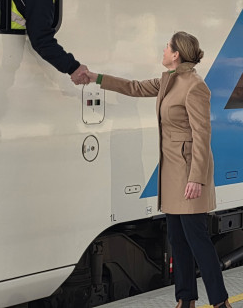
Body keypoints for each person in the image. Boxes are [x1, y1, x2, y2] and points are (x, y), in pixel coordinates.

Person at [84, 32, 232, 308]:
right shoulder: (169, 81)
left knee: (198, 241)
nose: (163, 50)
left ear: (176, 54)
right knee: (178, 241)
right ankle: (185, 300)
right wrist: (97, 78)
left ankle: (221, 302)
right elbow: (134, 87)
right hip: (172, 173)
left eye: (167, 46)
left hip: (188, 174)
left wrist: (197, 178)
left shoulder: (195, 86)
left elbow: (202, 134)